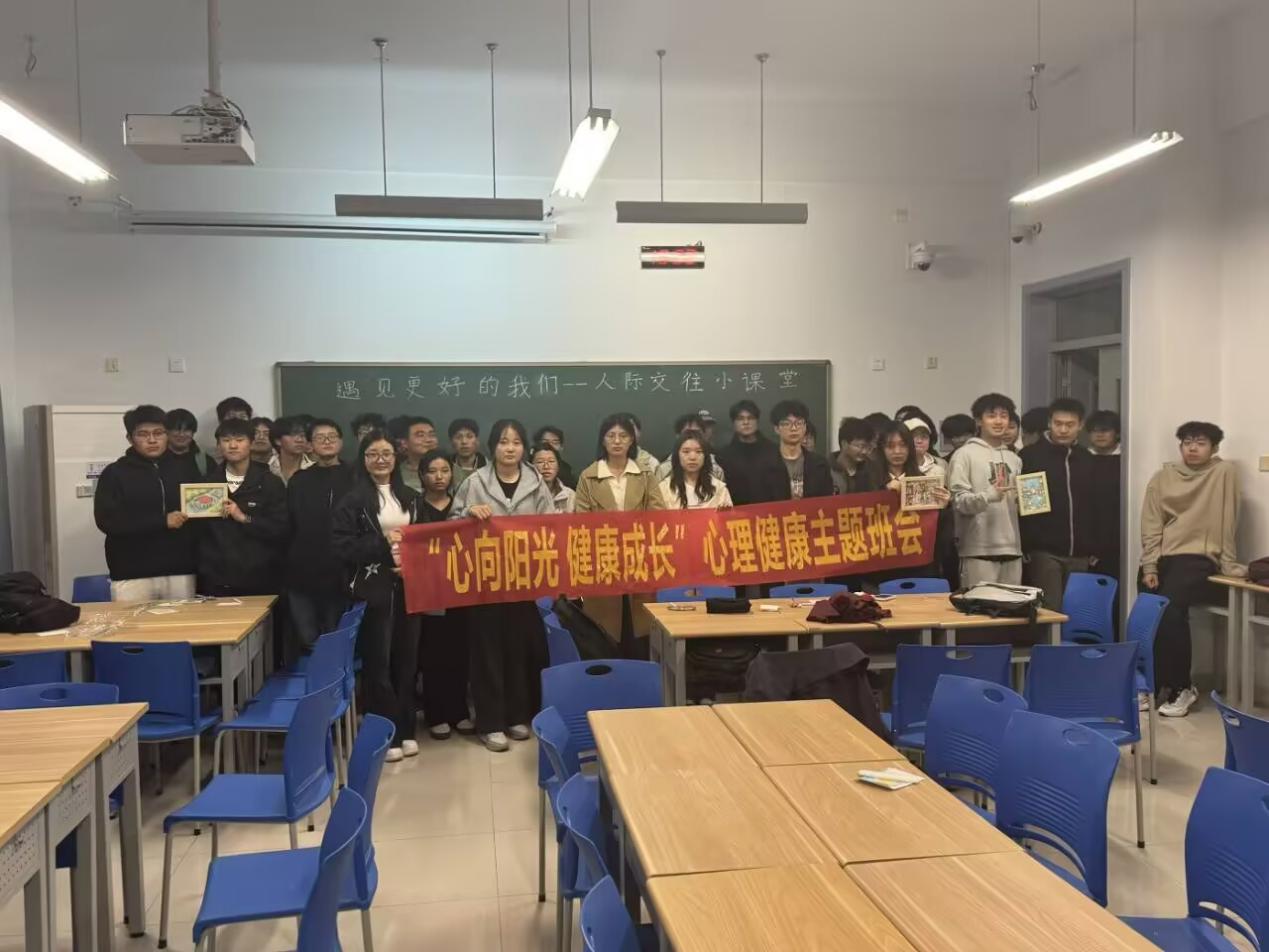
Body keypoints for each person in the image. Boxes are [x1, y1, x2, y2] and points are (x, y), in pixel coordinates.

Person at [451, 419, 554, 752]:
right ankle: (490, 722)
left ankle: (516, 716)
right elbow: (450, 525)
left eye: (516, 442)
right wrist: (468, 513)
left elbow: (552, 527)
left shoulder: (536, 482)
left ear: (525, 448)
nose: (510, 448)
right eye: (503, 442)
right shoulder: (474, 482)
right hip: (485, 580)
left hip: (523, 579)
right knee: (487, 652)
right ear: (492, 447)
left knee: (517, 649)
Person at [1140, 421, 1245, 717]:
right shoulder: (1163, 477)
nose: (1193, 448)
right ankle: (1153, 685)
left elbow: (1228, 519)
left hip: (1199, 557)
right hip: (1164, 557)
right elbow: (1151, 523)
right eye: (1187, 443)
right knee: (1148, 612)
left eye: (1200, 443)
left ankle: (1181, 687)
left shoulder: (1223, 472)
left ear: (1214, 448)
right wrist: (1149, 564)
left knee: (1170, 610)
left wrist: (1228, 563)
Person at [331, 429, 423, 762]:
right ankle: (386, 732)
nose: (380, 460)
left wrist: (411, 565)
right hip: (373, 588)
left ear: (395, 458)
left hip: (409, 585)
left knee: (407, 660)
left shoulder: (411, 496)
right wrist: (383, 543)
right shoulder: (352, 500)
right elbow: (342, 546)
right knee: (378, 662)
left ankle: (407, 730)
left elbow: (427, 541)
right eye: (373, 454)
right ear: (364, 459)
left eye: (386, 454)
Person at [575, 414, 666, 653]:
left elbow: (658, 517)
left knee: (638, 636)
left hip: (638, 560)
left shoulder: (645, 475)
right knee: (605, 635)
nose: (617, 441)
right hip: (603, 562)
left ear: (632, 440)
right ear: (602, 440)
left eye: (623, 436)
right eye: (611, 436)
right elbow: (581, 524)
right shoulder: (588, 476)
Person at [93, 405, 197, 601]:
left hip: (180, 570)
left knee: (183, 621)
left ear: (167, 435)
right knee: (132, 622)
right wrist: (162, 522)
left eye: (158, 433)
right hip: (132, 572)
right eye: (143, 434)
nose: (152, 440)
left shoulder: (186, 469)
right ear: (130, 438)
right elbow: (107, 521)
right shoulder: (115, 473)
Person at [284, 418, 354, 658]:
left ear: (341, 442)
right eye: (319, 437)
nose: (326, 441)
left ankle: (335, 681)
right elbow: (290, 523)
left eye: (332, 436)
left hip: (342, 571)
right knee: (307, 639)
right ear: (310, 445)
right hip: (303, 570)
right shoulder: (299, 480)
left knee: (337, 638)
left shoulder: (355, 477)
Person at [415, 449, 473, 739]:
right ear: (422, 475)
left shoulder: (461, 506)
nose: (439, 477)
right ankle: (436, 714)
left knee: (459, 652)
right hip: (428, 590)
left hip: (460, 589)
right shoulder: (414, 506)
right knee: (433, 653)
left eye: (445, 471)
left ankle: (459, 711)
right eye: (432, 471)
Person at [1019, 398, 1097, 609]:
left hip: (1081, 552)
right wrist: (1028, 545)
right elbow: (1029, 506)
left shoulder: (1086, 458)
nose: (1063, 430)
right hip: (1044, 551)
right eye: (1058, 423)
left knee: (1077, 609)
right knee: (1050, 610)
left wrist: (1093, 545)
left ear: (1080, 425)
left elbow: (1094, 505)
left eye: (1070, 425)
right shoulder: (1031, 456)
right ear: (1049, 423)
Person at [198, 418, 289, 596]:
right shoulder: (206, 484)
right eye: (226, 440)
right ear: (218, 445)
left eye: (239, 440)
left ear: (251, 443)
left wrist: (244, 518)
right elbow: (200, 534)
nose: (233, 445)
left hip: (260, 577)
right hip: (216, 578)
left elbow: (280, 528)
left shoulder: (269, 482)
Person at [948, 393, 1023, 586]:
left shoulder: (1015, 459)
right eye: (991, 415)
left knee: (1012, 605)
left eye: (1004, 416)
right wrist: (987, 496)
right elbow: (958, 501)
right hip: (978, 549)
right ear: (978, 421)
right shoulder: (964, 454)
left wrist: (1025, 501)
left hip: (1013, 549)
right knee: (979, 604)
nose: (998, 421)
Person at [715, 399, 786, 506]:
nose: (746, 422)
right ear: (733, 423)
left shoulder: (774, 450)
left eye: (750, 418)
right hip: (737, 513)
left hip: (771, 512)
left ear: (757, 421)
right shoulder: (723, 455)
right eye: (740, 419)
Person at [1086, 410, 1123, 586]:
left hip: (1119, 536)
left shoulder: (1127, 461)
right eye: (1094, 430)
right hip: (1087, 537)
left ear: (1117, 433)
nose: (1099, 435)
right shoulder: (1081, 459)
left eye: (1105, 430)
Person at [771, 400, 834, 499]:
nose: (794, 428)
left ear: (805, 427)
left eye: (799, 423)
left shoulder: (819, 464)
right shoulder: (764, 464)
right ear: (776, 429)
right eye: (787, 424)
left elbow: (827, 500)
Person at [658, 433, 733, 509]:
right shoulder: (664, 489)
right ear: (677, 456)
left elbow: (729, 515)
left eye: (698, 451)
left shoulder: (719, 489)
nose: (692, 457)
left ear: (705, 456)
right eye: (686, 452)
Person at [653, 413, 725, 484]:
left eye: (697, 433)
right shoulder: (664, 469)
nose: (692, 436)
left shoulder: (716, 469)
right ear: (678, 436)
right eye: (687, 433)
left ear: (704, 436)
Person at [831, 417, 878, 494]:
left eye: (867, 447)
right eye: (860, 446)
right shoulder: (826, 469)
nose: (864, 451)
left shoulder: (871, 469)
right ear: (844, 444)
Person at [164, 408, 213, 482]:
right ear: (167, 431)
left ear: (193, 432)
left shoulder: (205, 462)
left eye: (186, 430)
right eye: (177, 429)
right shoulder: (156, 460)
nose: (181, 434)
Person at [269, 416, 314, 485]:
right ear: (278, 441)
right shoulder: (267, 468)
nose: (299, 440)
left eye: (302, 435)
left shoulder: (314, 468)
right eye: (292, 434)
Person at [398, 416, 439, 493]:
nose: (428, 440)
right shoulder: (396, 474)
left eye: (432, 435)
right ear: (404, 443)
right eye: (420, 435)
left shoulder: (451, 471)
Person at [531, 443, 575, 513]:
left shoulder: (570, 495)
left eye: (551, 461)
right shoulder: (525, 495)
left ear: (558, 466)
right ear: (531, 467)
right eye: (540, 462)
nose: (546, 467)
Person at [448, 418, 487, 489]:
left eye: (469, 436)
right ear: (451, 442)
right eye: (458, 437)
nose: (464, 442)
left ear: (477, 440)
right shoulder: (446, 467)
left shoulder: (488, 467)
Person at [903, 415, 946, 480]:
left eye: (924, 437)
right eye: (913, 436)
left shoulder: (938, 471)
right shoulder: (897, 469)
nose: (919, 441)